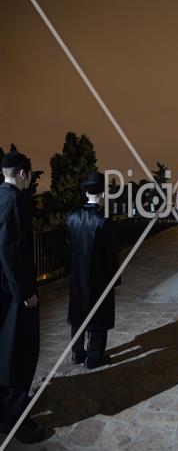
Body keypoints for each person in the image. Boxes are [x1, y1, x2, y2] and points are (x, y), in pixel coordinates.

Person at [0, 152, 45, 443]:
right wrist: (25, 293)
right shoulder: (15, 200)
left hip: (3, 291)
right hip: (14, 293)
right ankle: (15, 419)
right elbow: (10, 251)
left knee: (5, 350)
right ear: (22, 174)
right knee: (21, 353)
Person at [67, 171, 121, 369]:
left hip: (77, 277)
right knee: (99, 317)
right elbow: (111, 256)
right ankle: (93, 357)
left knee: (78, 315)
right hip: (99, 279)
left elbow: (69, 247)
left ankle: (77, 354)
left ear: (86, 194)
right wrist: (116, 282)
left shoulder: (71, 217)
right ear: (103, 195)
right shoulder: (104, 222)